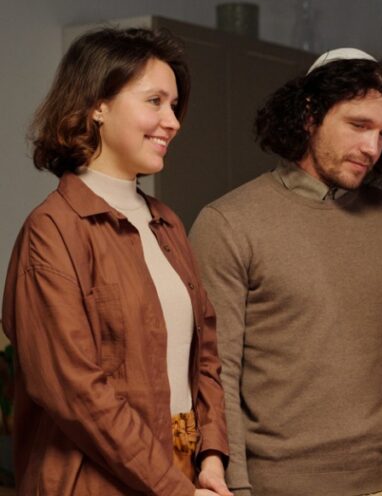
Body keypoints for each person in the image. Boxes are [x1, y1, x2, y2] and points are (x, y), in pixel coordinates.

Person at [189, 48, 382, 496]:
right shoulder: (228, 224)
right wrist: (235, 487)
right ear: (309, 114)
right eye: (358, 125)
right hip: (282, 487)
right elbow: (219, 371)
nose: (373, 148)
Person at [1, 28, 230, 495]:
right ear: (97, 105)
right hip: (93, 482)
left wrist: (210, 458)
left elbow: (205, 356)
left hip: (186, 472)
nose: (173, 121)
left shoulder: (167, 223)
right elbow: (76, 393)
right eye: (155, 101)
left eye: (174, 105)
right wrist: (175, 489)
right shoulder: (52, 230)